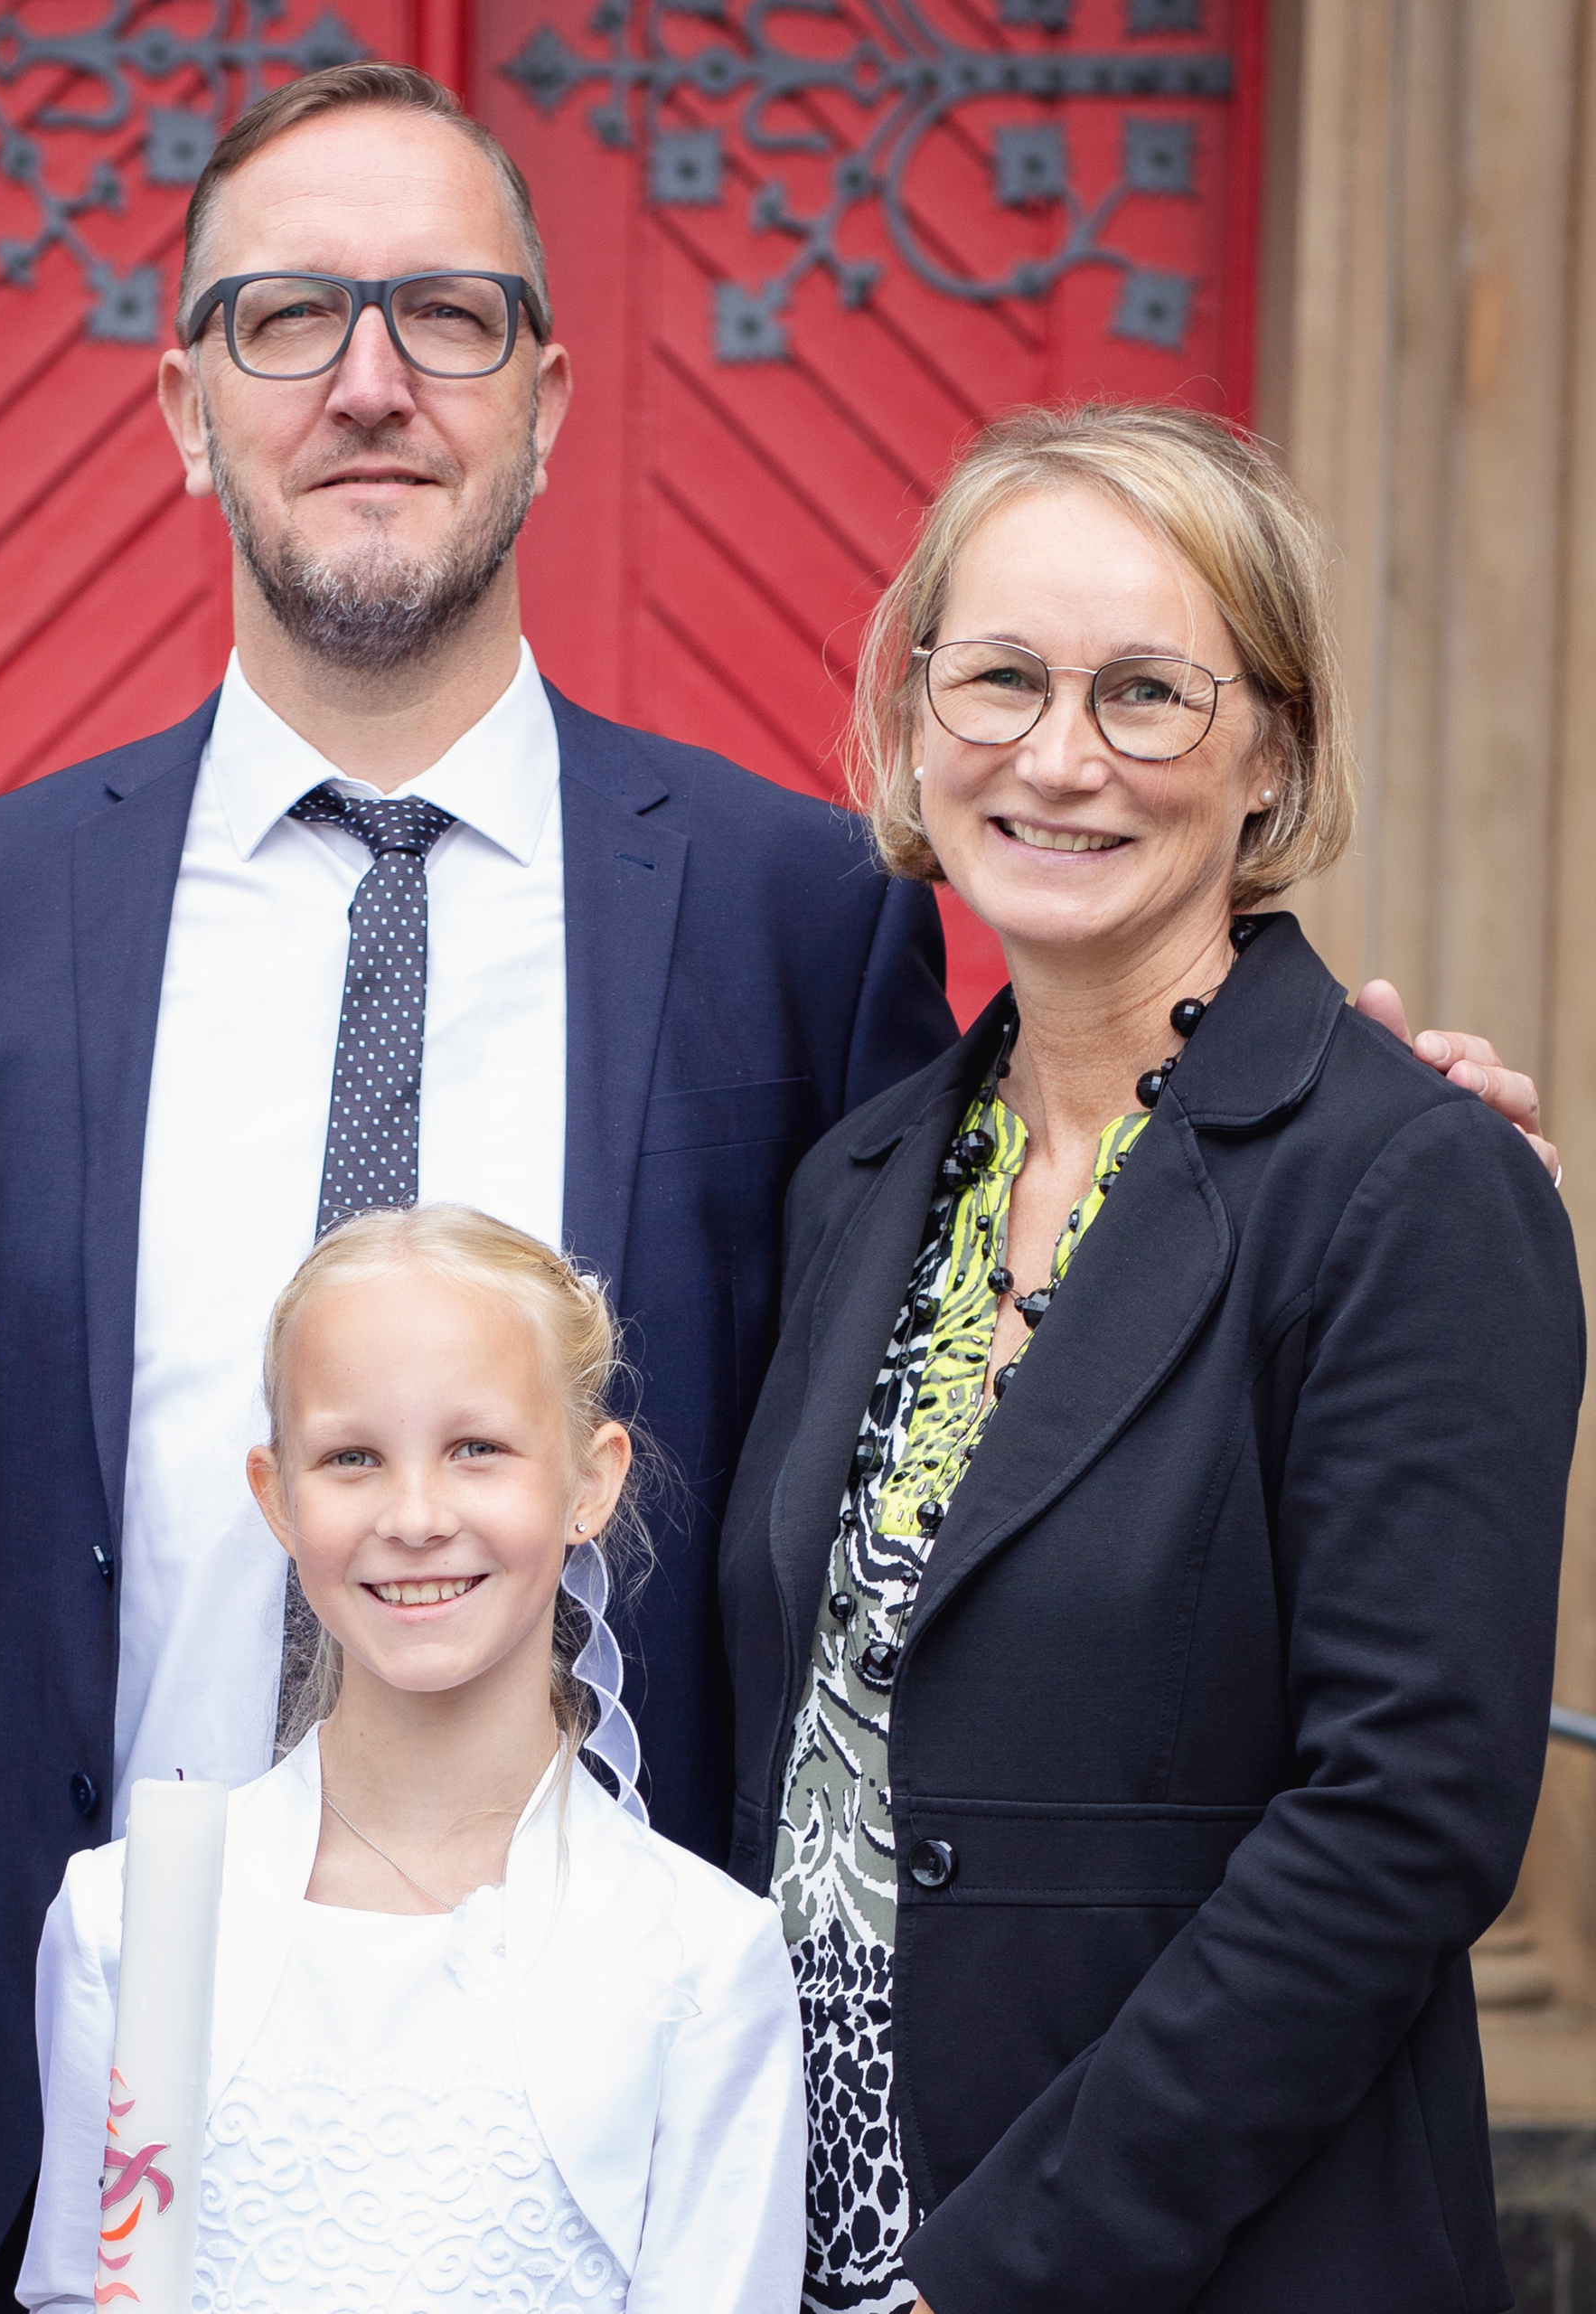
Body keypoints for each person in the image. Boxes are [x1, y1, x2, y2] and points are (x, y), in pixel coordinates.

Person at [0, 62, 956, 2304]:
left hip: (602, 2099)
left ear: (541, 393)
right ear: (178, 402)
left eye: (443, 314)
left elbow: (975, 1370)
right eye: (284, 317)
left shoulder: (793, 908)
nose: (365, 382)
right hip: (56, 2027)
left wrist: (1310, 1116)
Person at [718, 401, 1583, 2313]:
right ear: (914, 713)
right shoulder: (861, 1178)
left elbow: (1399, 1823)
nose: (1054, 755)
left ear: (1267, 749)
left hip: (1179, 2257)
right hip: (806, 2238)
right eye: (1000, 677)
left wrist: (999, 2271)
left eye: (1142, 695)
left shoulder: (1406, 1182)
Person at [17, 1205, 805, 2312]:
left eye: (476, 1447)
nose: (417, 1513)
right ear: (276, 1495)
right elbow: (80, 2286)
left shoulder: (700, 1961)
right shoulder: (130, 1917)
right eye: (351, 1457)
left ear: (589, 1477)